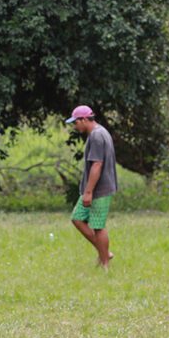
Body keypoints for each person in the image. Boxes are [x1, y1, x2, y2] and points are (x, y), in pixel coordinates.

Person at [66, 105, 118, 269]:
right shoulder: (101, 132)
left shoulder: (96, 136)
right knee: (77, 218)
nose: (75, 126)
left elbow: (97, 165)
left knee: (98, 226)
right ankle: (105, 253)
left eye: (76, 122)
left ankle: (104, 264)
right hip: (95, 189)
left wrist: (88, 192)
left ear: (83, 119)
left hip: (99, 190)